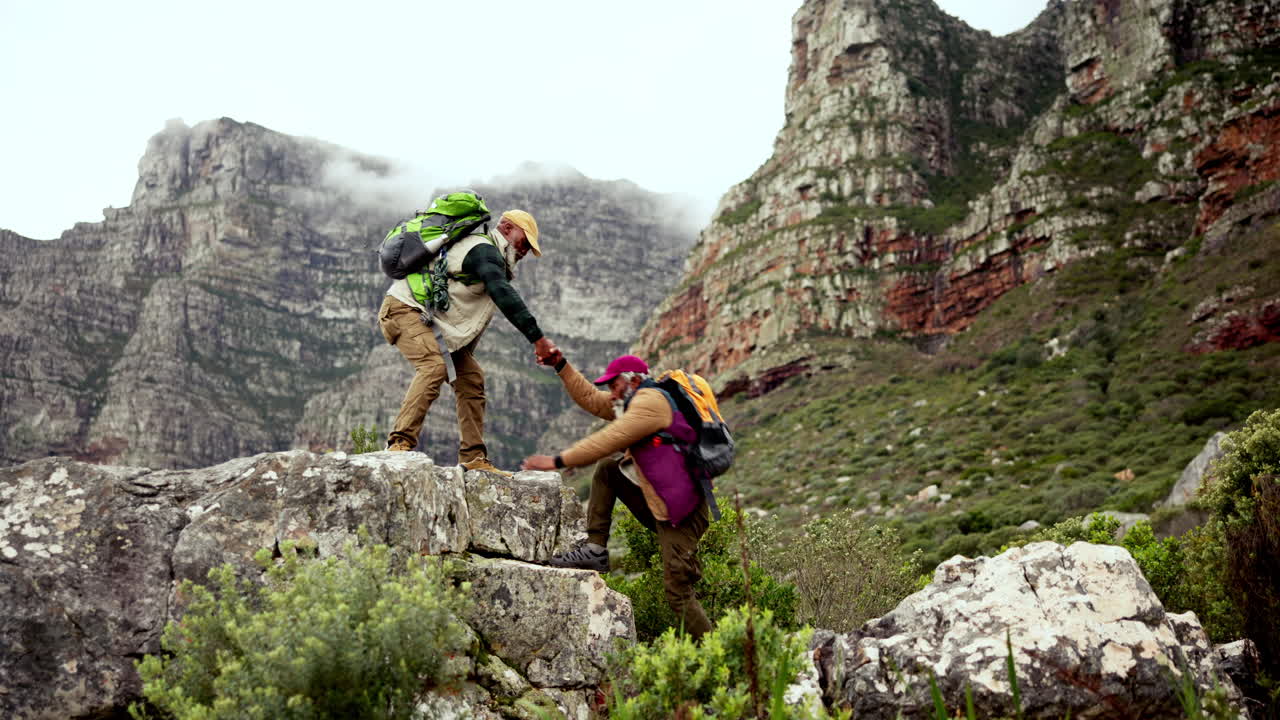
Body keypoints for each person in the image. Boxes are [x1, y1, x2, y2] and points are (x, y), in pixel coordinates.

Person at [521, 353, 713, 638]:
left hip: (683, 515)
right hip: (660, 507)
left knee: (678, 592)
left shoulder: (651, 403)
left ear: (633, 380)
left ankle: (725, 657)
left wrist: (557, 461)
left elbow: (609, 438)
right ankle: (595, 550)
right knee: (608, 469)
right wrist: (561, 365)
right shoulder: (631, 403)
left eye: (614, 385)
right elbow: (590, 398)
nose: (610, 393)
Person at [379, 209, 559, 474]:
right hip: (404, 309)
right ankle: (399, 444)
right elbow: (502, 293)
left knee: (471, 377)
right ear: (507, 228)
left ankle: (474, 459)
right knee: (433, 366)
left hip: (433, 324)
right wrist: (539, 339)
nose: (525, 251)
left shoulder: (492, 257)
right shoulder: (483, 250)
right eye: (524, 242)